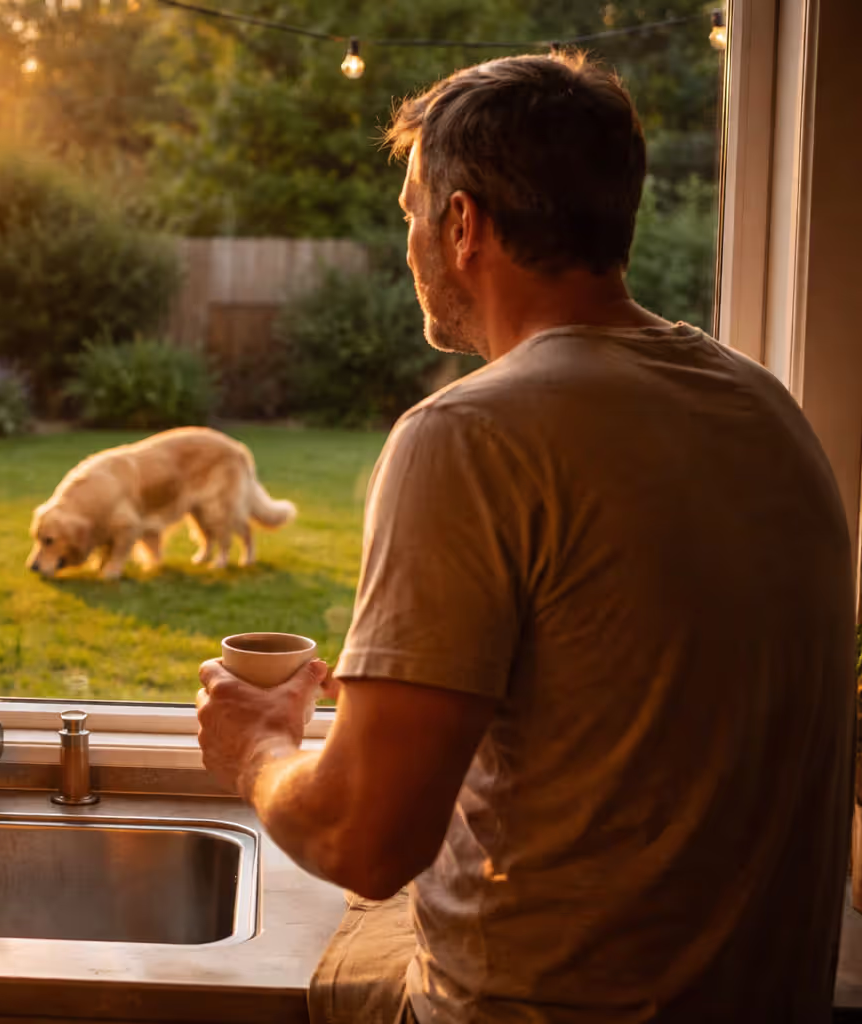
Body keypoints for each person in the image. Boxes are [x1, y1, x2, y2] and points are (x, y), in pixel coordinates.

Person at [195, 51, 855, 1023]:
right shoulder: (766, 409)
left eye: (412, 209)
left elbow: (365, 837)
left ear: (463, 224)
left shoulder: (470, 435)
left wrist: (258, 746)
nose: (409, 237)